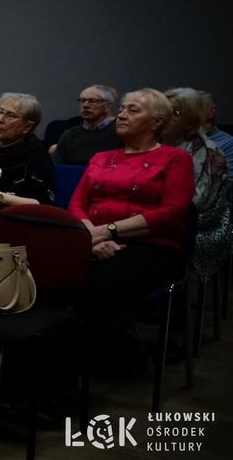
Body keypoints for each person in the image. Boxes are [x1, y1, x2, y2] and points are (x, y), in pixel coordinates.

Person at [67, 89, 194, 360]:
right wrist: (94, 235)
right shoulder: (101, 158)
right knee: (49, 273)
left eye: (133, 110)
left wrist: (108, 231)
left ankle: (78, 364)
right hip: (95, 239)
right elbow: (77, 205)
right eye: (122, 108)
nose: (122, 115)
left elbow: (172, 212)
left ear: (157, 121)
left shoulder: (176, 159)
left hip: (152, 247)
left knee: (101, 284)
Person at [164, 88, 232, 286]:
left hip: (198, 224)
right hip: (153, 217)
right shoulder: (149, 145)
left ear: (190, 118)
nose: (165, 117)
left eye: (174, 112)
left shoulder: (210, 153)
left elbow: (197, 203)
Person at [0, 92, 56, 216]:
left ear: (27, 127)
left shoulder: (36, 156)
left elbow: (44, 205)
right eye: (0, 112)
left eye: (10, 115)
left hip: (14, 221)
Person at [52, 85, 123, 165]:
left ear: (107, 107)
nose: (85, 105)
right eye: (82, 100)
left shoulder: (120, 133)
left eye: (92, 101)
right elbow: (57, 168)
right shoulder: (69, 135)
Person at [200, 91, 233, 183]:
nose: (186, 113)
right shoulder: (173, 138)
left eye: (192, 108)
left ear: (211, 112)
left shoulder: (231, 144)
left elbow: (224, 184)